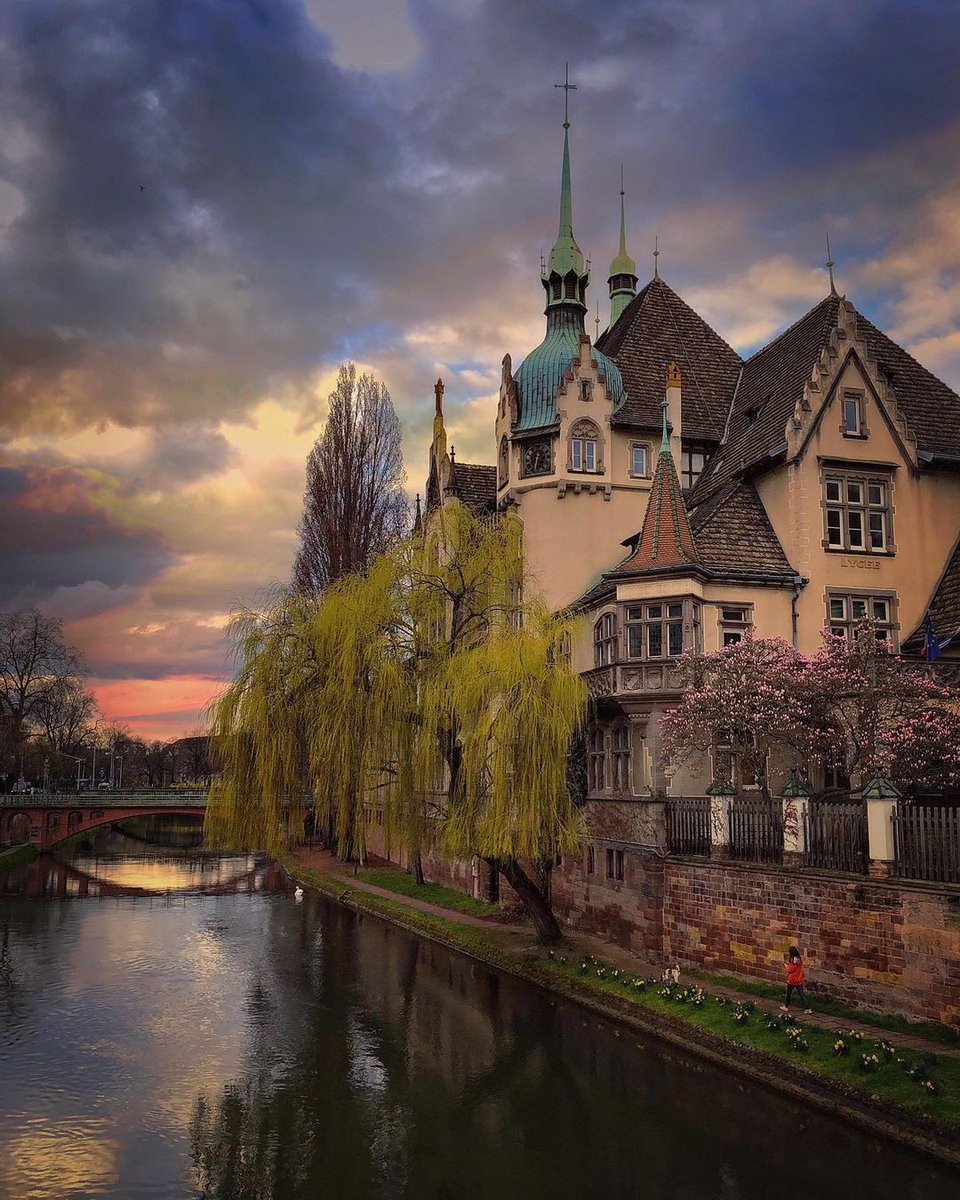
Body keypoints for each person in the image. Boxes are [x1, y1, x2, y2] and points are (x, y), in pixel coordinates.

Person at [780, 946, 812, 1014]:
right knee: (802, 994)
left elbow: (790, 970)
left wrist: (786, 965)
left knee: (788, 994)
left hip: (792, 980)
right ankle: (808, 1008)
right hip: (799, 980)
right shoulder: (799, 959)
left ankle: (786, 1006)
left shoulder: (792, 960)